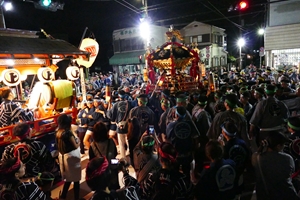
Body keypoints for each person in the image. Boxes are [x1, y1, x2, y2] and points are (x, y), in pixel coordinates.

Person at [252, 131, 300, 200]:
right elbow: (291, 171)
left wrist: (261, 148)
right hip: (284, 194)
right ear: (278, 146)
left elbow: (256, 155)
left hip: (264, 195)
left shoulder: (257, 158)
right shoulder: (287, 158)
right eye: (283, 145)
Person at [55, 114, 82, 200]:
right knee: (76, 179)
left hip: (63, 157)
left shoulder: (57, 131)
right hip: (72, 157)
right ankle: (76, 197)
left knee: (68, 178)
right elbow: (75, 145)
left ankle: (63, 196)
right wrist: (79, 141)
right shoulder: (68, 132)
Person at [88, 121, 119, 190]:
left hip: (100, 174)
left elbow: (91, 161)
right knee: (114, 191)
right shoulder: (111, 142)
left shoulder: (93, 145)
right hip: (112, 170)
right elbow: (115, 154)